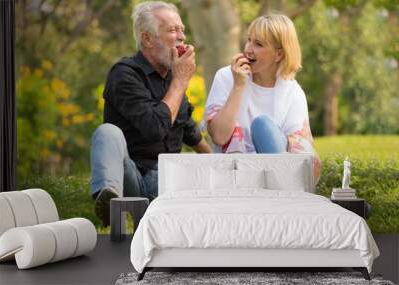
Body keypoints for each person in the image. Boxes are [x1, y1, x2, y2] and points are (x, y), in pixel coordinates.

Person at [91, 1, 211, 226]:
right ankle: (109, 200)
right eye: (173, 30)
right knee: (107, 133)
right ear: (147, 38)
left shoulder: (173, 78)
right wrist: (180, 82)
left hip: (168, 181)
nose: (181, 37)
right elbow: (154, 128)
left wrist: (219, 166)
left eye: (182, 30)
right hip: (134, 178)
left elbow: (190, 132)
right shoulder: (125, 75)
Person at [205, 14, 321, 183]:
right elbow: (219, 136)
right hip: (235, 176)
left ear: (279, 54)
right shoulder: (226, 77)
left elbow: (299, 156)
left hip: (276, 178)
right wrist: (238, 86)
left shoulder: (293, 92)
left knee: (263, 126)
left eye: (258, 44)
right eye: (249, 40)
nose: (248, 49)